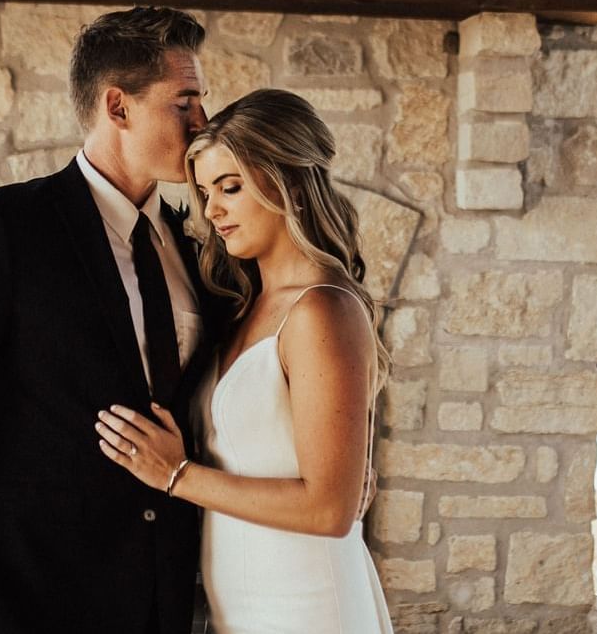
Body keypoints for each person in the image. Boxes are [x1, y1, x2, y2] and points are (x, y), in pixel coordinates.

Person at [0, 7, 228, 634]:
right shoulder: (2, 228)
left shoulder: (193, 245)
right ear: (118, 106)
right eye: (185, 102)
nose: (203, 123)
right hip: (21, 602)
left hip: (165, 603)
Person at [95, 89, 395, 633]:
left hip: (306, 605)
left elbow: (330, 509)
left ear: (287, 184)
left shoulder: (322, 309)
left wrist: (177, 474)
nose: (212, 211)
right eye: (206, 192)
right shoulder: (241, 307)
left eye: (230, 188)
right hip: (241, 606)